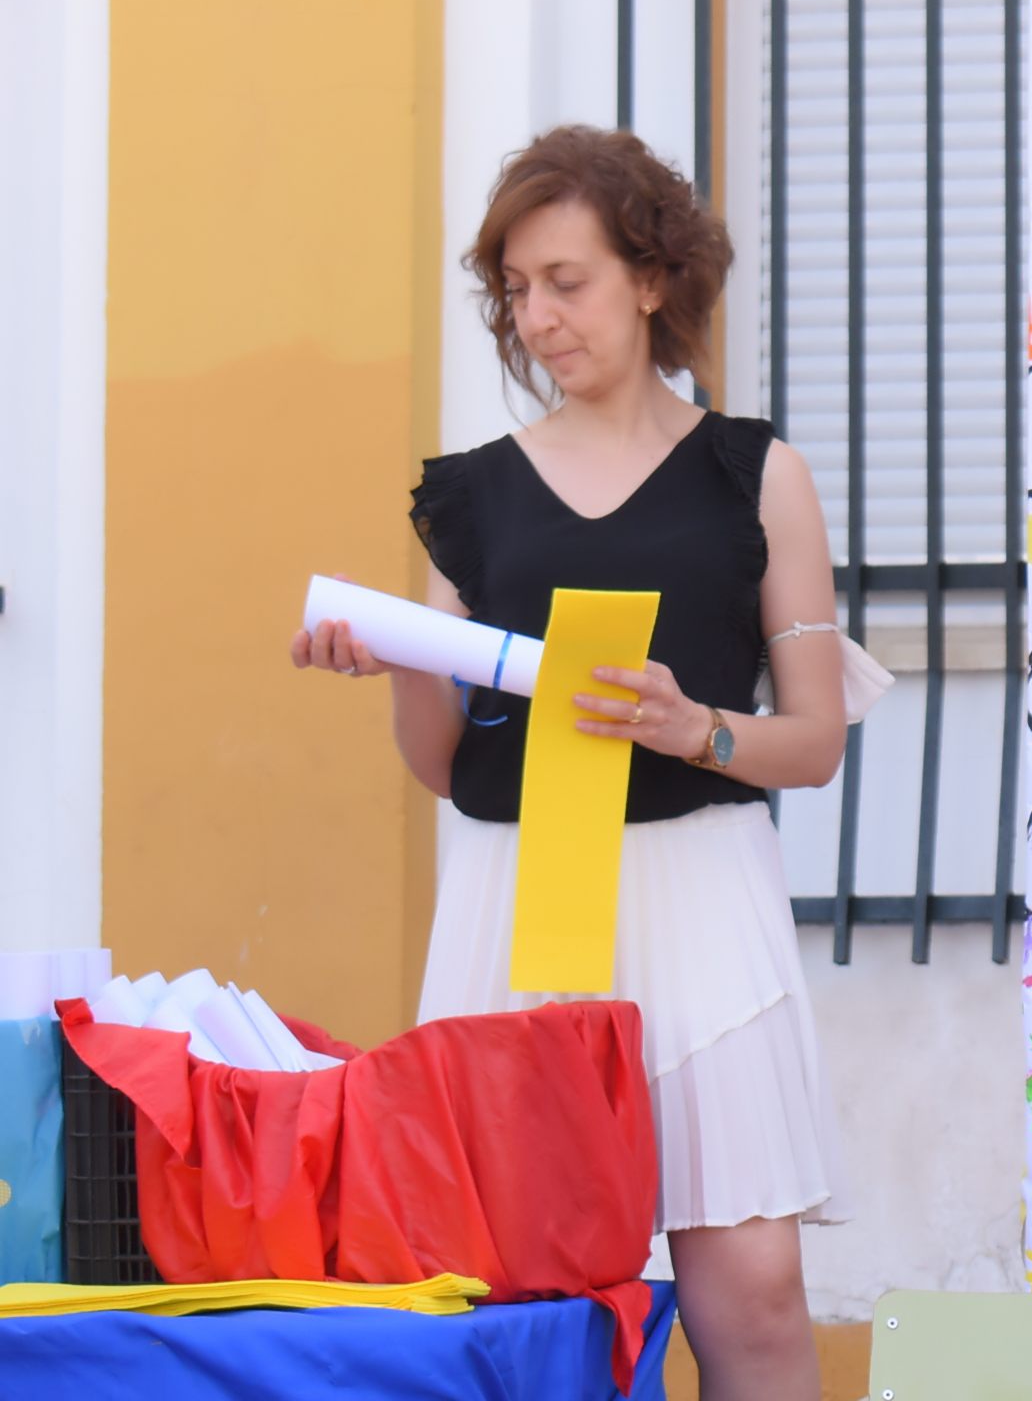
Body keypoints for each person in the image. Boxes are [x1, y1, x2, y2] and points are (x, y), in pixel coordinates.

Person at [292, 127, 849, 1401]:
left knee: (751, 1291)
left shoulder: (757, 474)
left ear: (652, 278)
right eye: (516, 289)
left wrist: (692, 726)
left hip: (703, 893)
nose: (538, 316)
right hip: (514, 892)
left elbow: (811, 739)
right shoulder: (467, 498)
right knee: (519, 1287)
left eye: (567, 279)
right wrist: (400, 659)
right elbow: (443, 766)